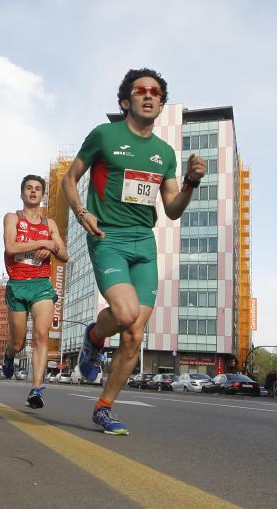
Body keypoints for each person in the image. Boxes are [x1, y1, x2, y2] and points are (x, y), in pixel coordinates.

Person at [61, 68, 206, 435]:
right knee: (125, 314)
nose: (148, 95)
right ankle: (94, 336)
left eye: (155, 92)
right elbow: (68, 178)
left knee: (134, 335)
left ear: (160, 104)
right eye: (140, 90)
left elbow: (172, 208)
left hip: (144, 242)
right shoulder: (104, 136)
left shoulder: (163, 153)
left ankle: (104, 407)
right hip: (108, 237)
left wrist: (190, 182)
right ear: (126, 100)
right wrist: (81, 213)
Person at [1, 175, 68, 409]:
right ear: (22, 194)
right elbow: (11, 247)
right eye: (28, 188)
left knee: (41, 334)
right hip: (18, 285)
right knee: (18, 344)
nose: (33, 192)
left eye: (37, 189)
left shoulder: (49, 225)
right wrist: (43, 244)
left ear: (42, 195)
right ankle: (9, 356)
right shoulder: (12, 218)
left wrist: (52, 250)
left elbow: (65, 255)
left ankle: (36, 389)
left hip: (41, 285)